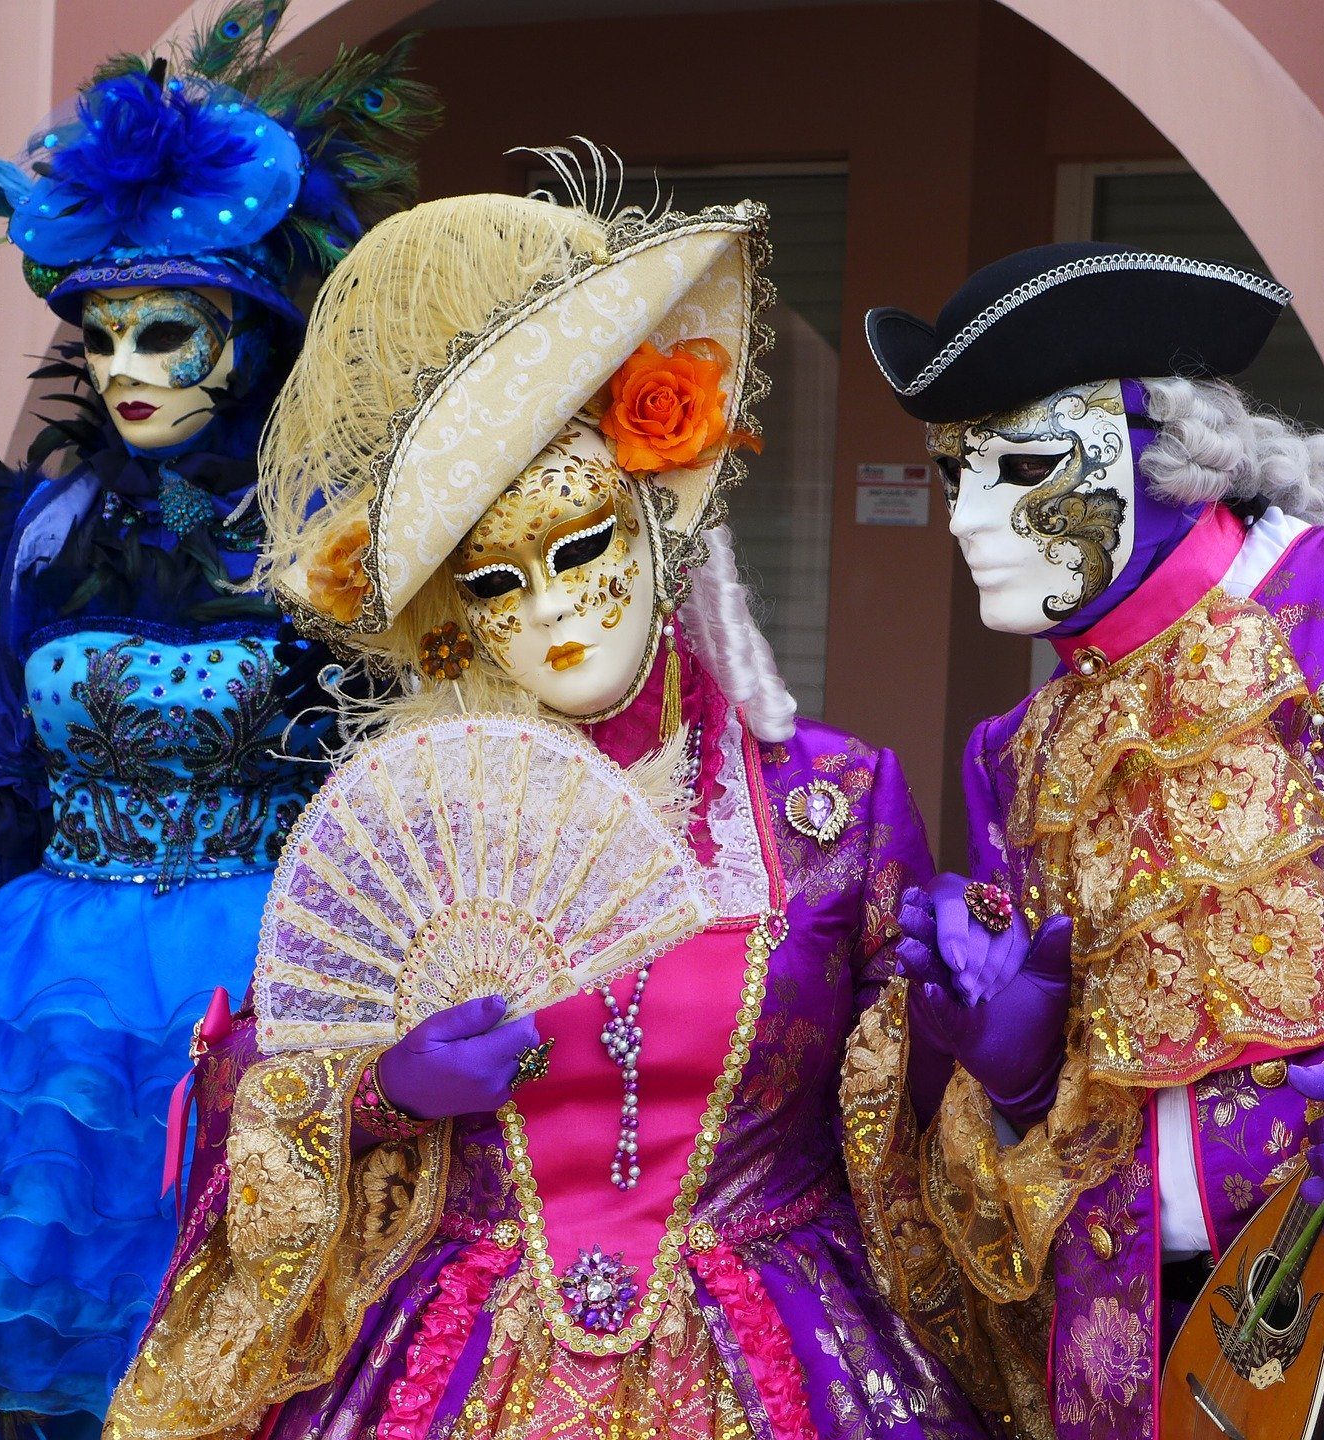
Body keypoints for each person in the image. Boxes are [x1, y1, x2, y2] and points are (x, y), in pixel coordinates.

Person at [104, 172, 994, 1440]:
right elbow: (270, 1080)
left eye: (583, 545)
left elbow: (912, 1139)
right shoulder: (412, 833)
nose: (557, 609)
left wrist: (996, 1055)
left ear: (663, 532)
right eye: (498, 582)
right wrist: (384, 1093)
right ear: (456, 616)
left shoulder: (837, 809)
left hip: (785, 1352)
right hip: (456, 1352)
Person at [0, 7, 438, 1434]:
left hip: (250, 969)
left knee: (225, 1298)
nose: (127, 366)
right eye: (105, 335)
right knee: (30, 1302)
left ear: (244, 343)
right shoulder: (51, 531)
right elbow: (7, 751)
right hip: (56, 988)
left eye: (166, 333)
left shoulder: (320, 542)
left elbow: (380, 762)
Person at [852, 241, 1324, 1438]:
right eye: (950, 474)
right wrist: (1014, 1077)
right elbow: (1060, 1130)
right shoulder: (1020, 752)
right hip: (1134, 1342)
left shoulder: (1314, 622)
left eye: (1018, 468)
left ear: (1170, 455)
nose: (964, 519)